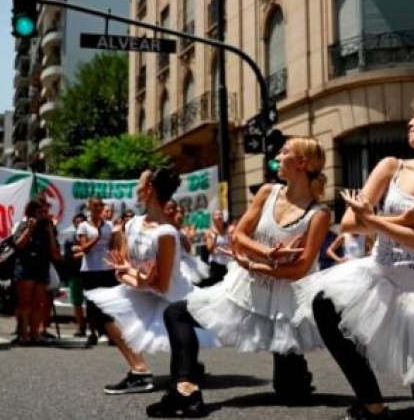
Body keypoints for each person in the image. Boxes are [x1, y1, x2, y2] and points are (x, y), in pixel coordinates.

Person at [292, 92, 414, 419]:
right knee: (324, 305)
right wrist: (401, 222)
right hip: (379, 276)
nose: (410, 121)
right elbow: (350, 223)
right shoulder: (391, 166)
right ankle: (371, 403)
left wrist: (378, 220)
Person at [146, 136, 331, 417]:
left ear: (302, 163)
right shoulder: (268, 192)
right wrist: (269, 253)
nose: (277, 158)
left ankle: (297, 375)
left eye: (284, 152)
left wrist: (256, 264)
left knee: (291, 392)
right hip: (244, 291)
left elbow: (300, 269)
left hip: (284, 304)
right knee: (177, 313)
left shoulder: (319, 214)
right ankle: (185, 389)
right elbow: (238, 236)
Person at [85, 167, 218, 395]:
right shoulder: (132, 224)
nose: (136, 187)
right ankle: (146, 371)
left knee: (179, 326)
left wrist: (134, 275)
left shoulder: (166, 233)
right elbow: (120, 269)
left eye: (140, 182)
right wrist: (134, 274)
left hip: (170, 298)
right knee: (99, 310)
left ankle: (175, 370)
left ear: (150, 189)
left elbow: (161, 285)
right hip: (143, 291)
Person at [11, 196, 60, 345]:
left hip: (42, 265)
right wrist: (29, 230)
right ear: (32, 212)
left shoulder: (48, 226)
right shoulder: (24, 224)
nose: (44, 215)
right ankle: (23, 333)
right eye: (40, 212)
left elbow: (54, 252)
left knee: (39, 302)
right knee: (25, 301)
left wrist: (51, 233)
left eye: (46, 212)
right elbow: (18, 245)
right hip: (25, 266)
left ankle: (35, 333)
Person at [76, 198, 117, 346]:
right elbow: (84, 248)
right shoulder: (83, 226)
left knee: (108, 302)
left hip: (106, 268)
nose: (98, 208)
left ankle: (110, 333)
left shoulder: (109, 225)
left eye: (100, 206)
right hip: (91, 269)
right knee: (92, 303)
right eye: (95, 206)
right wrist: (98, 237)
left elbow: (112, 246)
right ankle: (92, 332)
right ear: (89, 208)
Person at [64, 213, 87, 337]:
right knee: (76, 302)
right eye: (77, 221)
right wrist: (83, 252)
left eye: (82, 221)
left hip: (89, 274)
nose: (80, 224)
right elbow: (68, 258)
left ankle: (94, 329)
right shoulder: (69, 240)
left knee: (91, 302)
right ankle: (80, 327)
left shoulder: (92, 237)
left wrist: (80, 252)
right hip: (75, 274)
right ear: (74, 223)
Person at [200, 209, 231, 287]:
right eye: (217, 215)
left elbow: (231, 246)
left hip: (228, 264)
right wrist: (216, 237)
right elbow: (209, 249)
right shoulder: (209, 232)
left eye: (221, 214)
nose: (219, 216)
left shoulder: (227, 231)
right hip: (216, 265)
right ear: (213, 218)